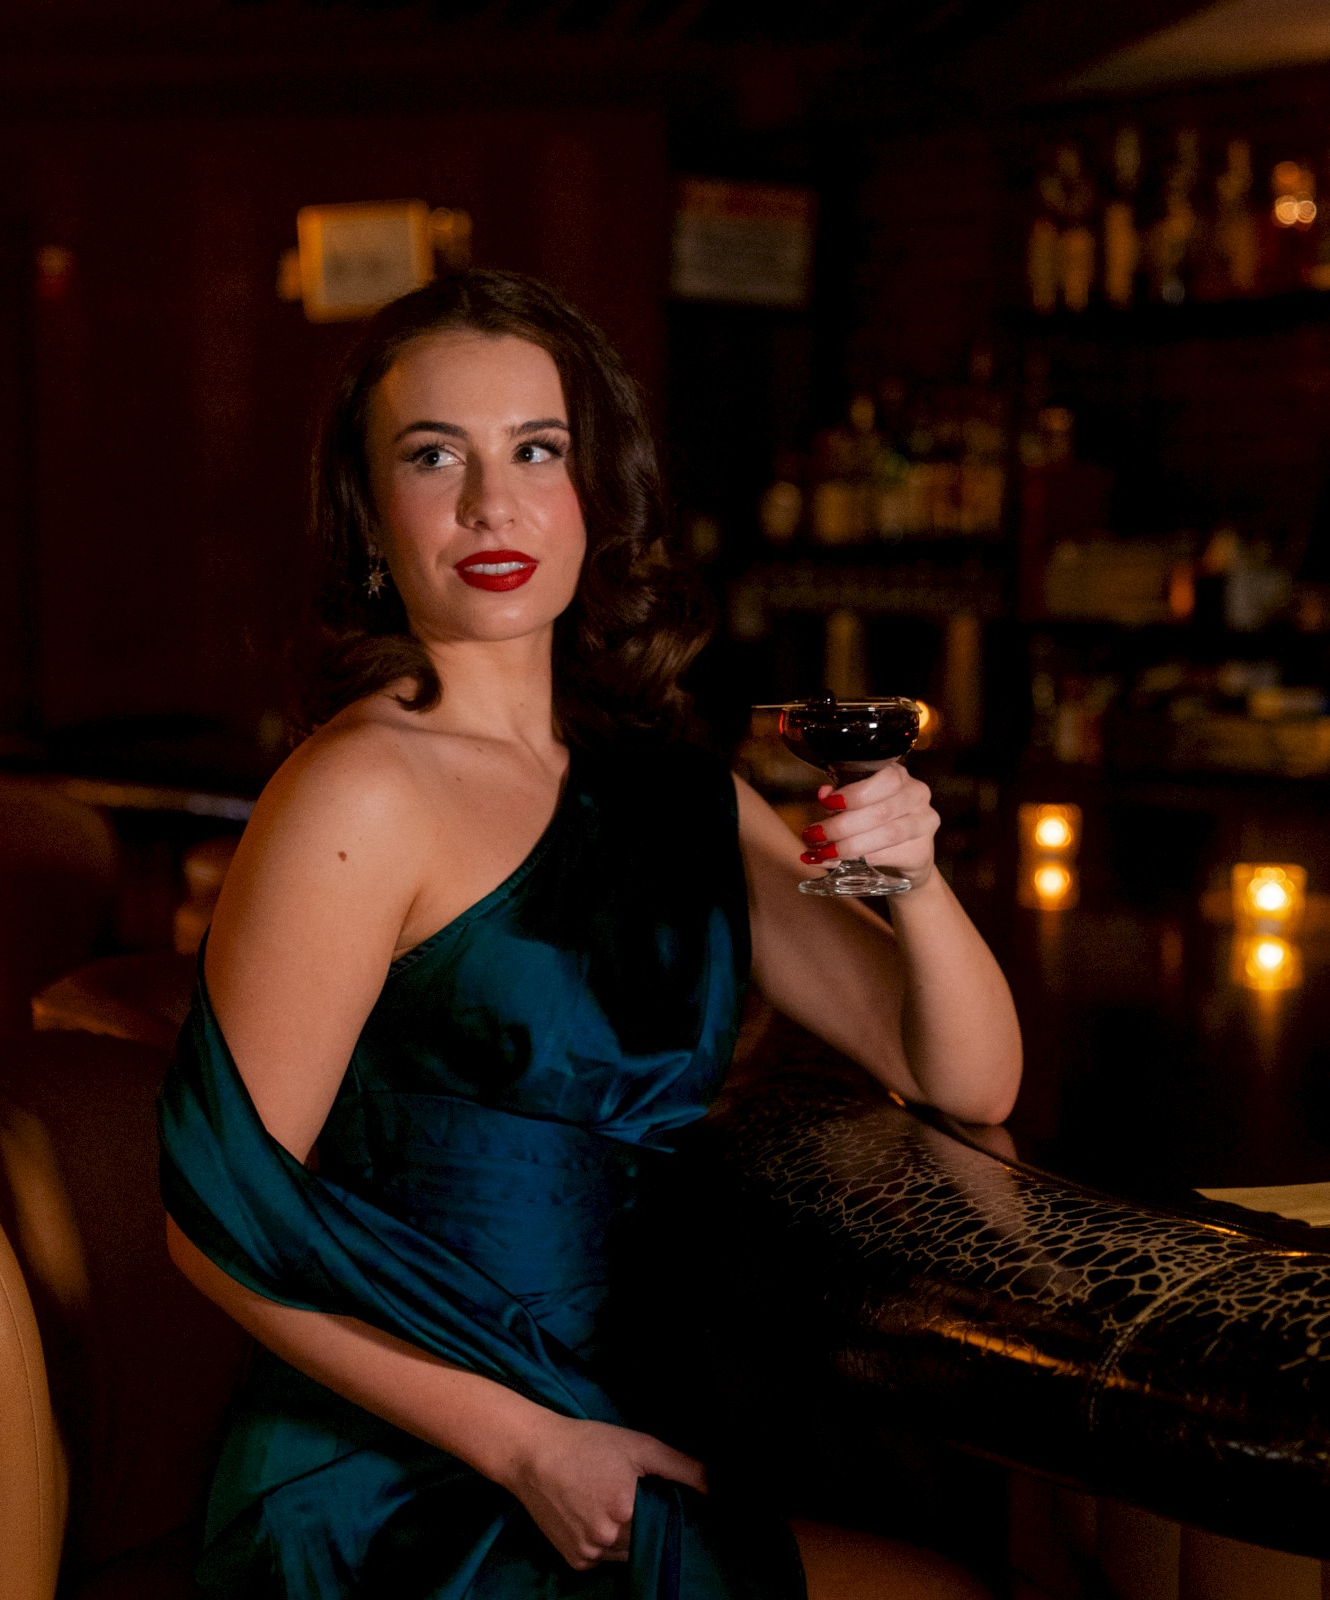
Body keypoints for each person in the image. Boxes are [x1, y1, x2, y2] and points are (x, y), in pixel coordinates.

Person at [158, 268, 1022, 1600]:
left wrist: (912, 878)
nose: (491, 503)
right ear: (372, 519)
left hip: (625, 1428)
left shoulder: (676, 784)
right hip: (410, 1475)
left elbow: (963, 1077)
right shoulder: (358, 789)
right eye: (433, 456)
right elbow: (212, 1218)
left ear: (589, 501)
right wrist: (529, 1447)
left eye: (535, 452)